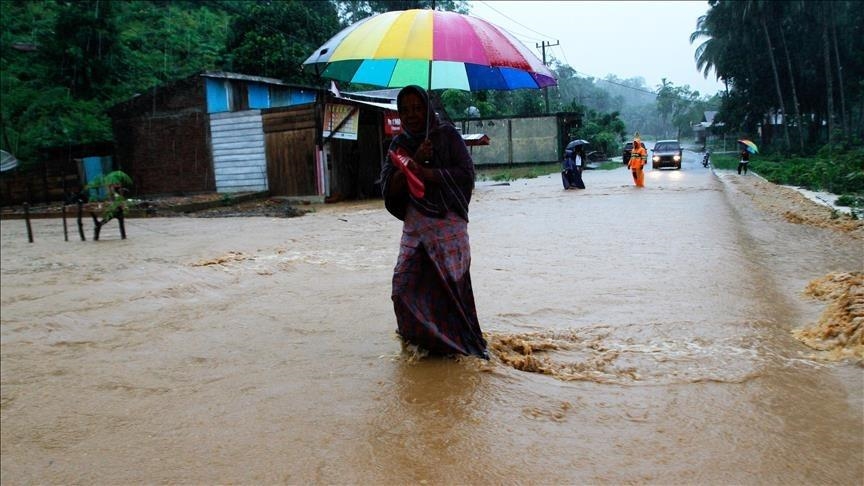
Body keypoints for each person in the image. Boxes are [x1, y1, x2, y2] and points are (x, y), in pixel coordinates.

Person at [379, 85, 489, 360]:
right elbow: (388, 188)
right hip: (416, 230)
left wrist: (426, 172)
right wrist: (411, 163)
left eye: (418, 108)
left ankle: (464, 350)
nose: (412, 114)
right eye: (405, 110)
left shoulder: (448, 135)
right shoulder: (399, 145)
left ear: (428, 109)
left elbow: (465, 175)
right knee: (402, 290)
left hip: (448, 228)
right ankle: (424, 345)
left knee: (452, 293)